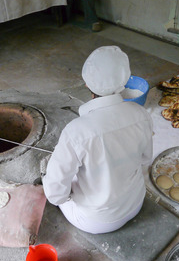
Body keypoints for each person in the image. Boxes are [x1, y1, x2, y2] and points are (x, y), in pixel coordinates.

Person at [42, 46, 153, 234]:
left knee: (55, 179)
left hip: (97, 222)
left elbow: (55, 195)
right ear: (125, 81)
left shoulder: (76, 131)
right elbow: (145, 159)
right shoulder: (141, 114)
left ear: (87, 84)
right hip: (135, 204)